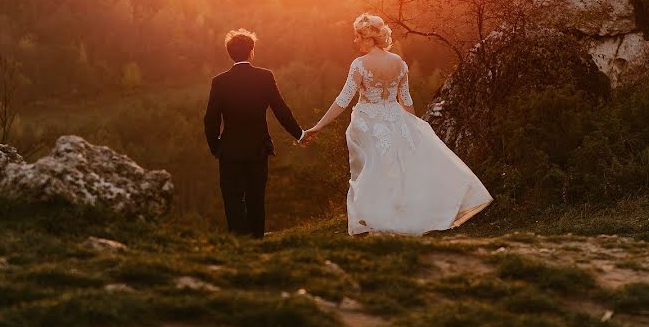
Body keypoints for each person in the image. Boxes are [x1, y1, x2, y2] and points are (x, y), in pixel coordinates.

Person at [302, 14, 492, 236]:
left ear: (369, 38)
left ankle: (375, 221)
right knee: (394, 171)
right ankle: (392, 218)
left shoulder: (359, 65)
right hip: (395, 121)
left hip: (368, 124)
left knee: (371, 172)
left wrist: (318, 126)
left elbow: (343, 100)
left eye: (357, 37)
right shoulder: (400, 64)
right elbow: (406, 100)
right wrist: (412, 126)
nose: (355, 41)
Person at [204, 29, 303, 239]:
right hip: (258, 148)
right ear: (252, 52)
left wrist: (217, 147)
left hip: (229, 150)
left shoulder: (219, 82)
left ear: (230, 54)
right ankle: (257, 239)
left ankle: (239, 242)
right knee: (255, 197)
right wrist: (299, 134)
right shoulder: (264, 77)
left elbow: (210, 119)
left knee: (232, 198)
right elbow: (280, 110)